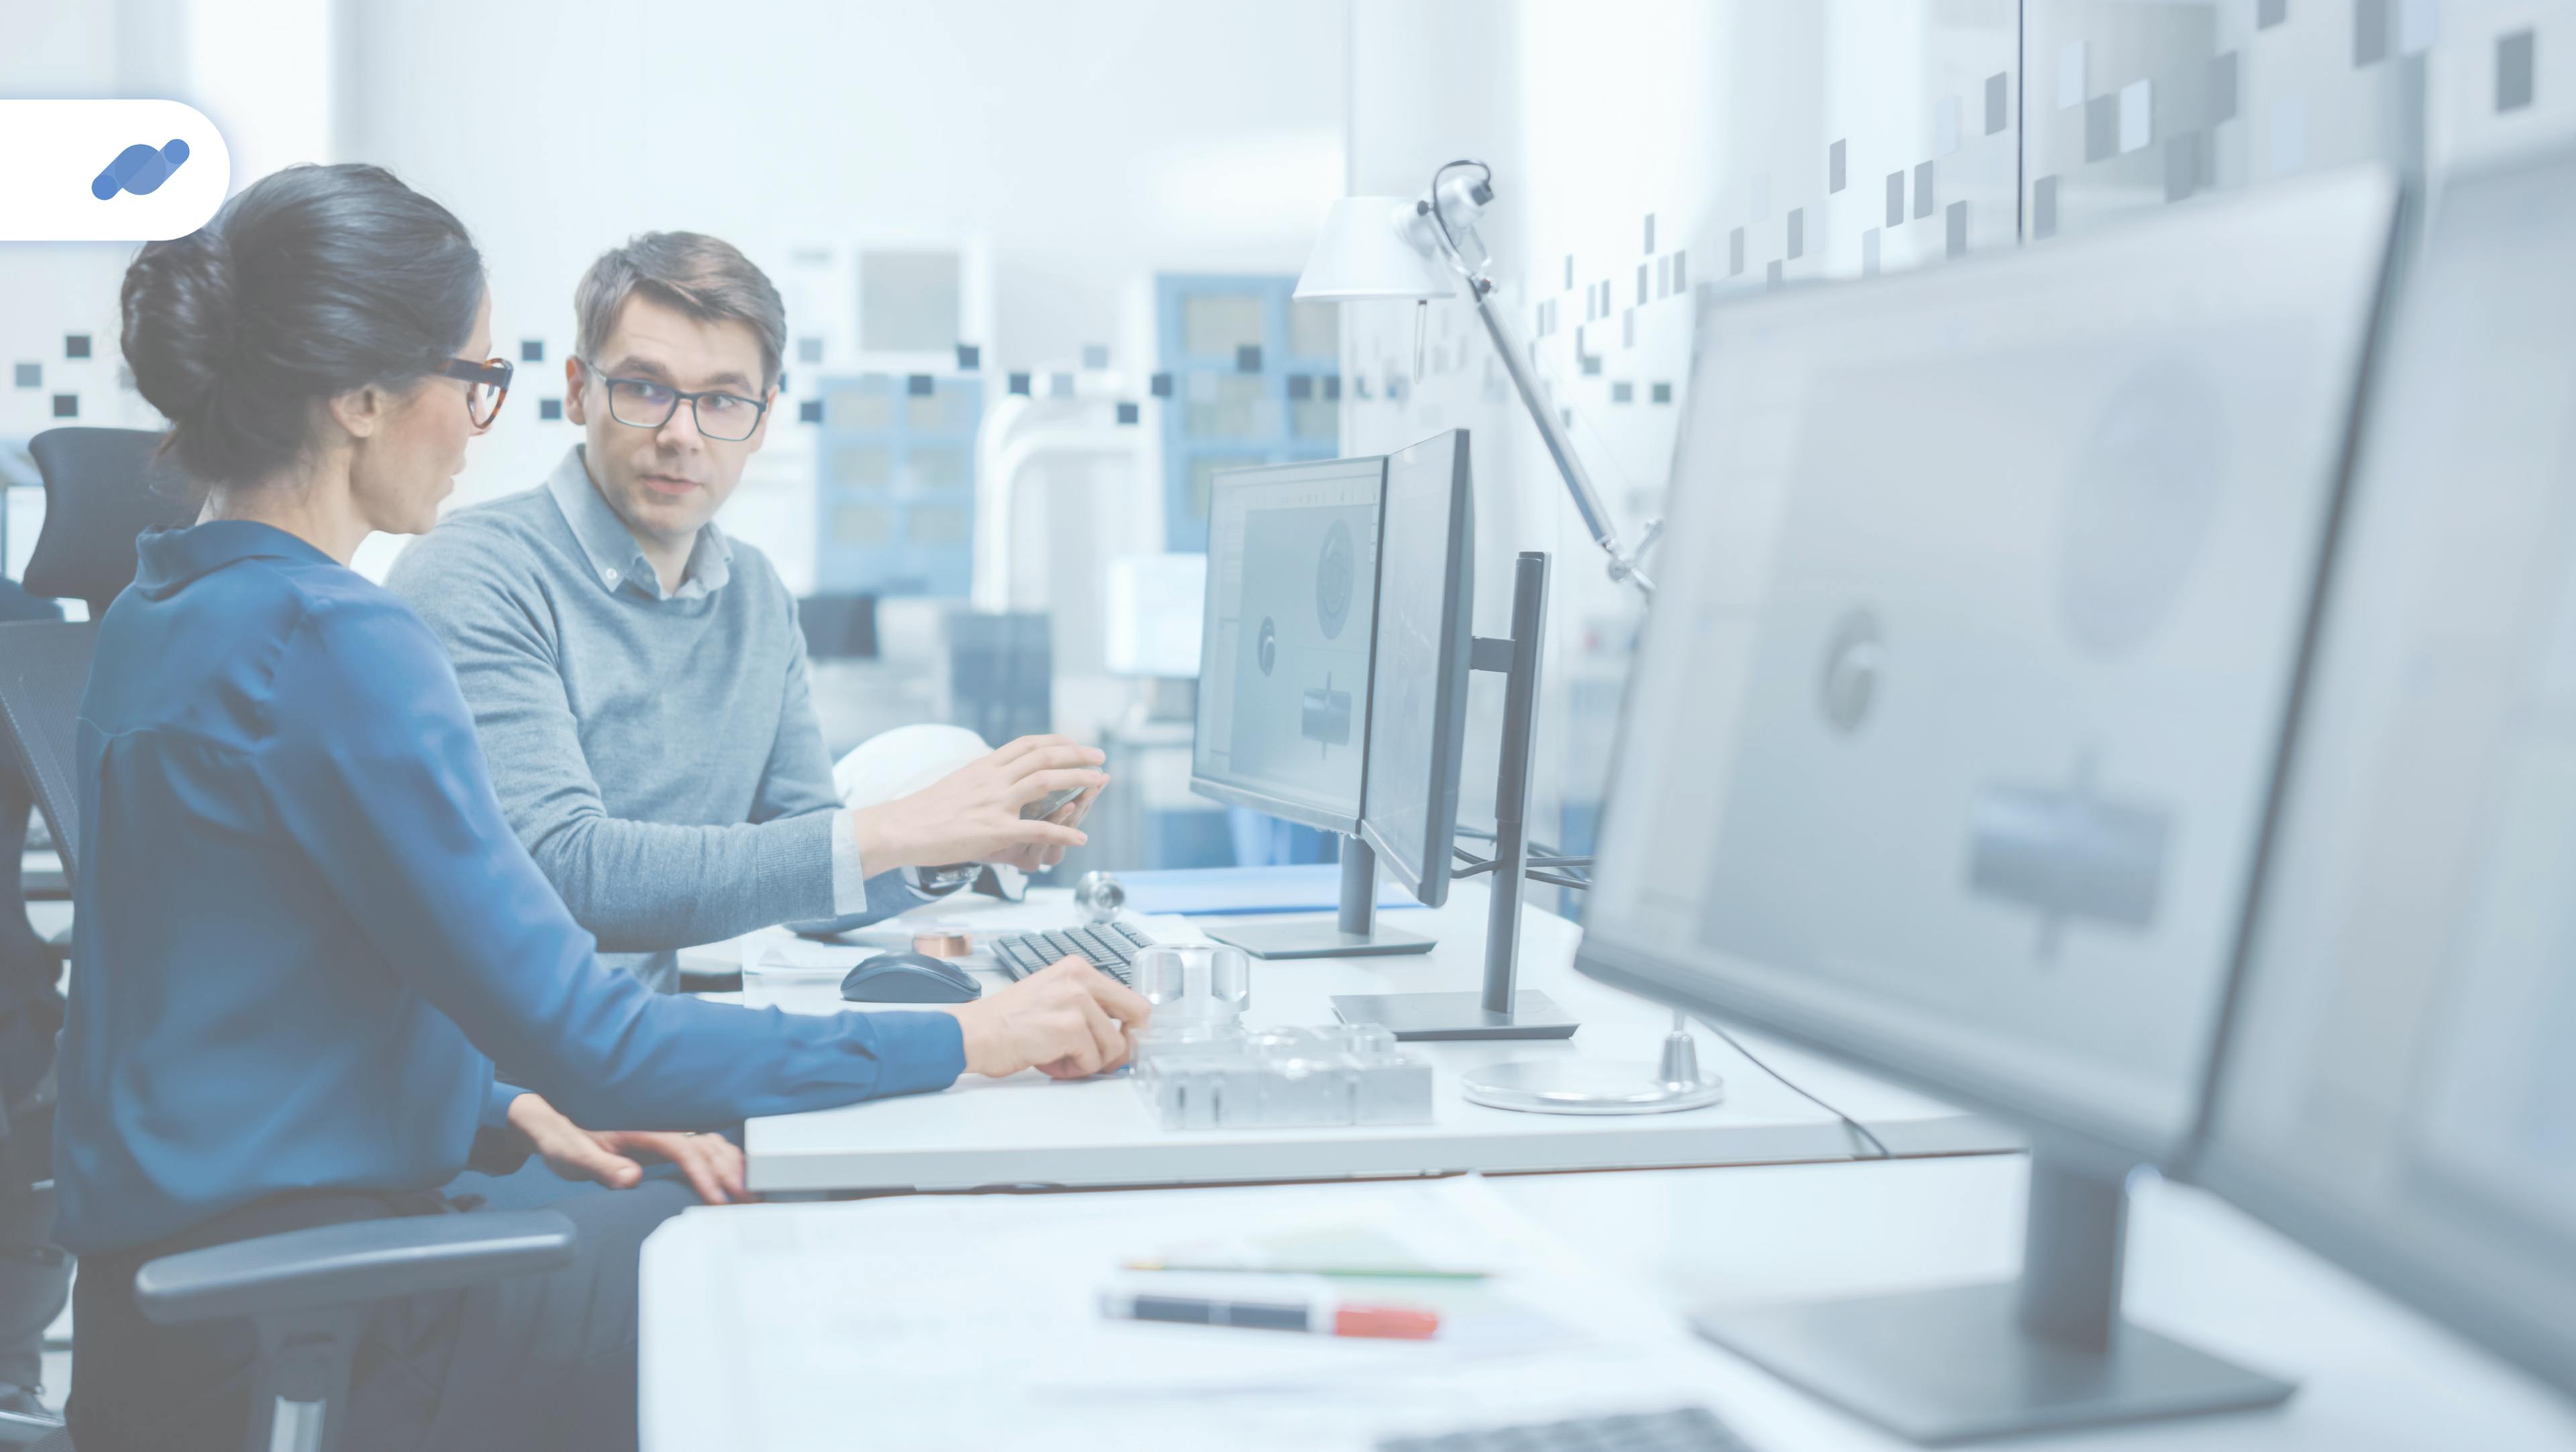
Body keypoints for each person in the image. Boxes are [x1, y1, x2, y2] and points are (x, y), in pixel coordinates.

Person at [54, 162, 1148, 1452]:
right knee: (821, 1255)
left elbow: (240, 993)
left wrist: (502, 1104)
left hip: (170, 1322)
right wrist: (973, 1038)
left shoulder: (160, 604)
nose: (478, 421)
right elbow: (594, 1027)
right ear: (358, 399)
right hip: (315, 1313)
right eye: (473, 381)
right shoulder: (336, 636)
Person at [386, 231, 1095, 992]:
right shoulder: (475, 574)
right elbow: (563, 874)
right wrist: (898, 825)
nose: (681, 434)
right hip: (503, 1083)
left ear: (761, 421)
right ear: (577, 390)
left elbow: (812, 869)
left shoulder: (755, 596)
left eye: (722, 399)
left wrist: (958, 846)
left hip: (636, 1052)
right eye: (644, 387)